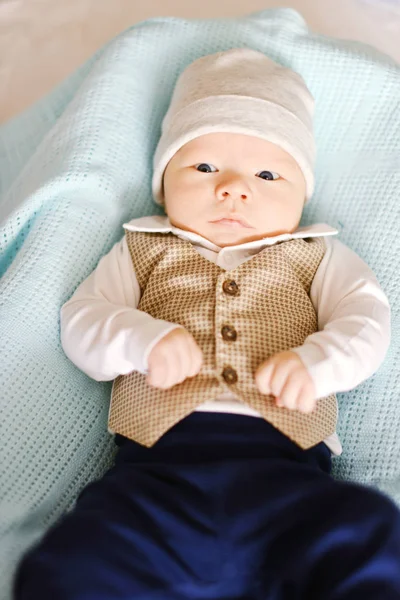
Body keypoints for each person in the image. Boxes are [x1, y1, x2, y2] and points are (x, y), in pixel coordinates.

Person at [15, 48, 400, 599]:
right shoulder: (142, 249)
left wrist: (319, 361)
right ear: (162, 181)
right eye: (204, 167)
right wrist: (141, 339)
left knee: (370, 529)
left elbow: (366, 319)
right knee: (74, 559)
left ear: (302, 195)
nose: (234, 188)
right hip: (156, 477)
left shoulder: (317, 255)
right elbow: (84, 321)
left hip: (289, 478)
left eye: (268, 174)